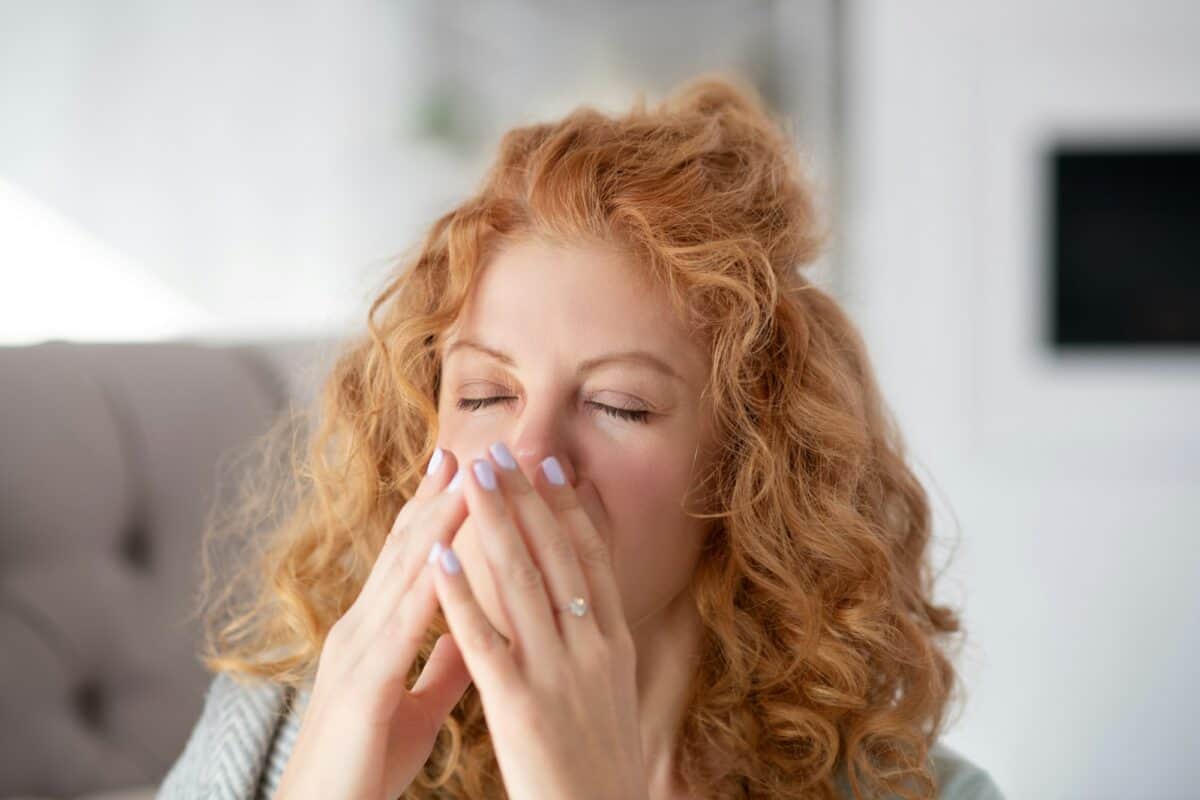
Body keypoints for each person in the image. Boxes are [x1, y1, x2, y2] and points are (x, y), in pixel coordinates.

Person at [157, 73, 1005, 800]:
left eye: (619, 406)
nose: (525, 458)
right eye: (485, 393)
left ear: (752, 467)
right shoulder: (280, 738)